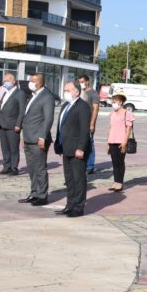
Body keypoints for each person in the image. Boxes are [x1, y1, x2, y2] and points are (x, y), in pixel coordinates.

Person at [54, 80, 92, 217]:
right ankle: (70, 205)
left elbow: (84, 130)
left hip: (77, 149)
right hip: (66, 148)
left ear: (77, 91)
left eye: (68, 90)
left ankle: (78, 207)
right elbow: (61, 127)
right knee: (69, 179)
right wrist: (59, 145)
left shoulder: (83, 106)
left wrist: (81, 148)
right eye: (65, 90)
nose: (65, 93)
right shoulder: (66, 105)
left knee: (78, 179)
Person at [20, 73, 55, 206]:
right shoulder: (33, 96)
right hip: (29, 138)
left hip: (38, 139)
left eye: (32, 81)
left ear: (40, 83)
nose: (29, 83)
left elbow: (48, 119)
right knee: (32, 168)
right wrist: (25, 136)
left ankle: (42, 195)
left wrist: (42, 137)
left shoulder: (47, 97)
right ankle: (34, 193)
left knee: (40, 168)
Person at [0, 72, 25, 175]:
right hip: (2, 125)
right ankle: (6, 167)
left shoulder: (19, 93)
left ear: (13, 81)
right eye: (4, 81)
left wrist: (18, 124)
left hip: (13, 126)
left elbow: (22, 110)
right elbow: (0, 109)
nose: (5, 82)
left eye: (7, 80)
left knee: (13, 148)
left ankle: (14, 168)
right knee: (4, 148)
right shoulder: (5, 92)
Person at [106, 93, 135, 193]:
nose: (113, 103)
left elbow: (128, 129)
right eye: (112, 102)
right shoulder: (112, 113)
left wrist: (124, 142)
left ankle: (120, 182)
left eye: (115, 102)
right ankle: (115, 181)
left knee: (120, 162)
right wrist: (107, 142)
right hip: (112, 140)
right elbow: (110, 128)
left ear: (121, 102)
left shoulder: (127, 113)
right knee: (114, 162)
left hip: (121, 140)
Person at [78, 75, 100, 174]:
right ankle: (82, 163)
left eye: (82, 81)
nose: (81, 83)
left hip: (88, 123)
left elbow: (95, 109)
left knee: (90, 143)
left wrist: (92, 123)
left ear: (87, 82)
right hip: (79, 123)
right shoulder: (79, 92)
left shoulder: (93, 93)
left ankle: (90, 166)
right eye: (79, 82)